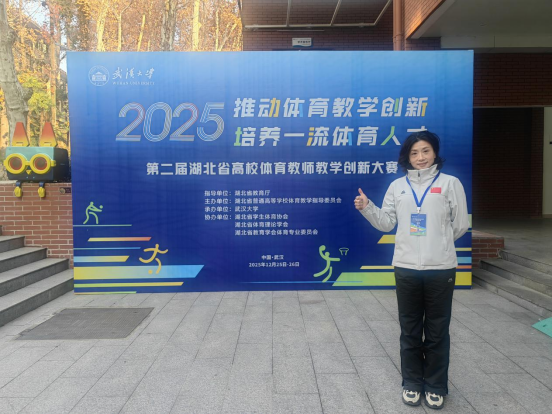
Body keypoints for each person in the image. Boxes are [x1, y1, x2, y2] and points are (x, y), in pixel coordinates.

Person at [354, 131, 469, 410]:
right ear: (407, 156)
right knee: (409, 329)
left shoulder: (450, 183)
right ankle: (412, 383)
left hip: (441, 268)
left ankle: (436, 386)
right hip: (405, 268)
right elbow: (387, 223)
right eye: (414, 152)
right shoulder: (397, 186)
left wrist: (439, 244)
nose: (420, 157)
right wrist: (368, 208)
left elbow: (460, 225)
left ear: (435, 152)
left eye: (425, 151)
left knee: (438, 330)